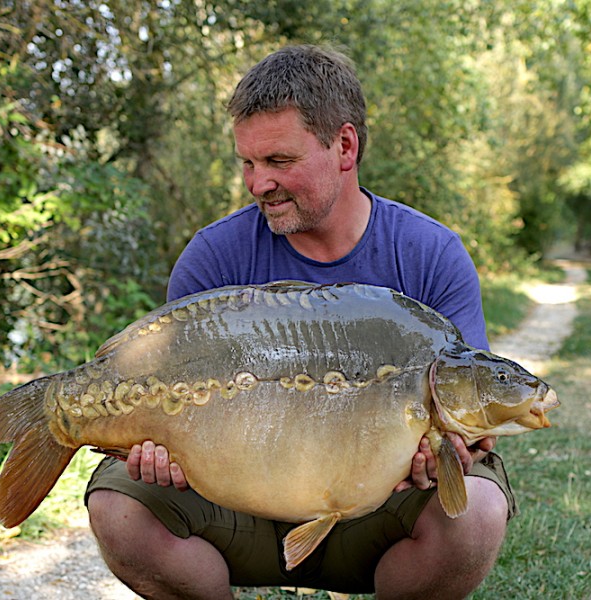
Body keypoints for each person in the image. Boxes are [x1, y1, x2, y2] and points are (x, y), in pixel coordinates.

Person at [86, 44, 516, 599]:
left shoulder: (429, 253)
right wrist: (156, 452)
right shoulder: (213, 257)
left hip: (380, 509)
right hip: (233, 508)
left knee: (475, 511)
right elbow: (165, 398)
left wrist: (454, 451)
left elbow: (472, 411)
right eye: (248, 162)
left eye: (279, 162)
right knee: (119, 507)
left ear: (344, 146)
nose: (257, 183)